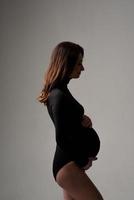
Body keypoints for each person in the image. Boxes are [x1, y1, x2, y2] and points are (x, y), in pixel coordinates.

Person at [37, 41, 104, 200]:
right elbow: (62, 138)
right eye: (79, 63)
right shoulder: (58, 95)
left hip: (67, 165)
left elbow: (69, 126)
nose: (82, 68)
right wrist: (83, 158)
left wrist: (81, 118)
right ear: (67, 63)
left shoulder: (61, 91)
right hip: (67, 165)